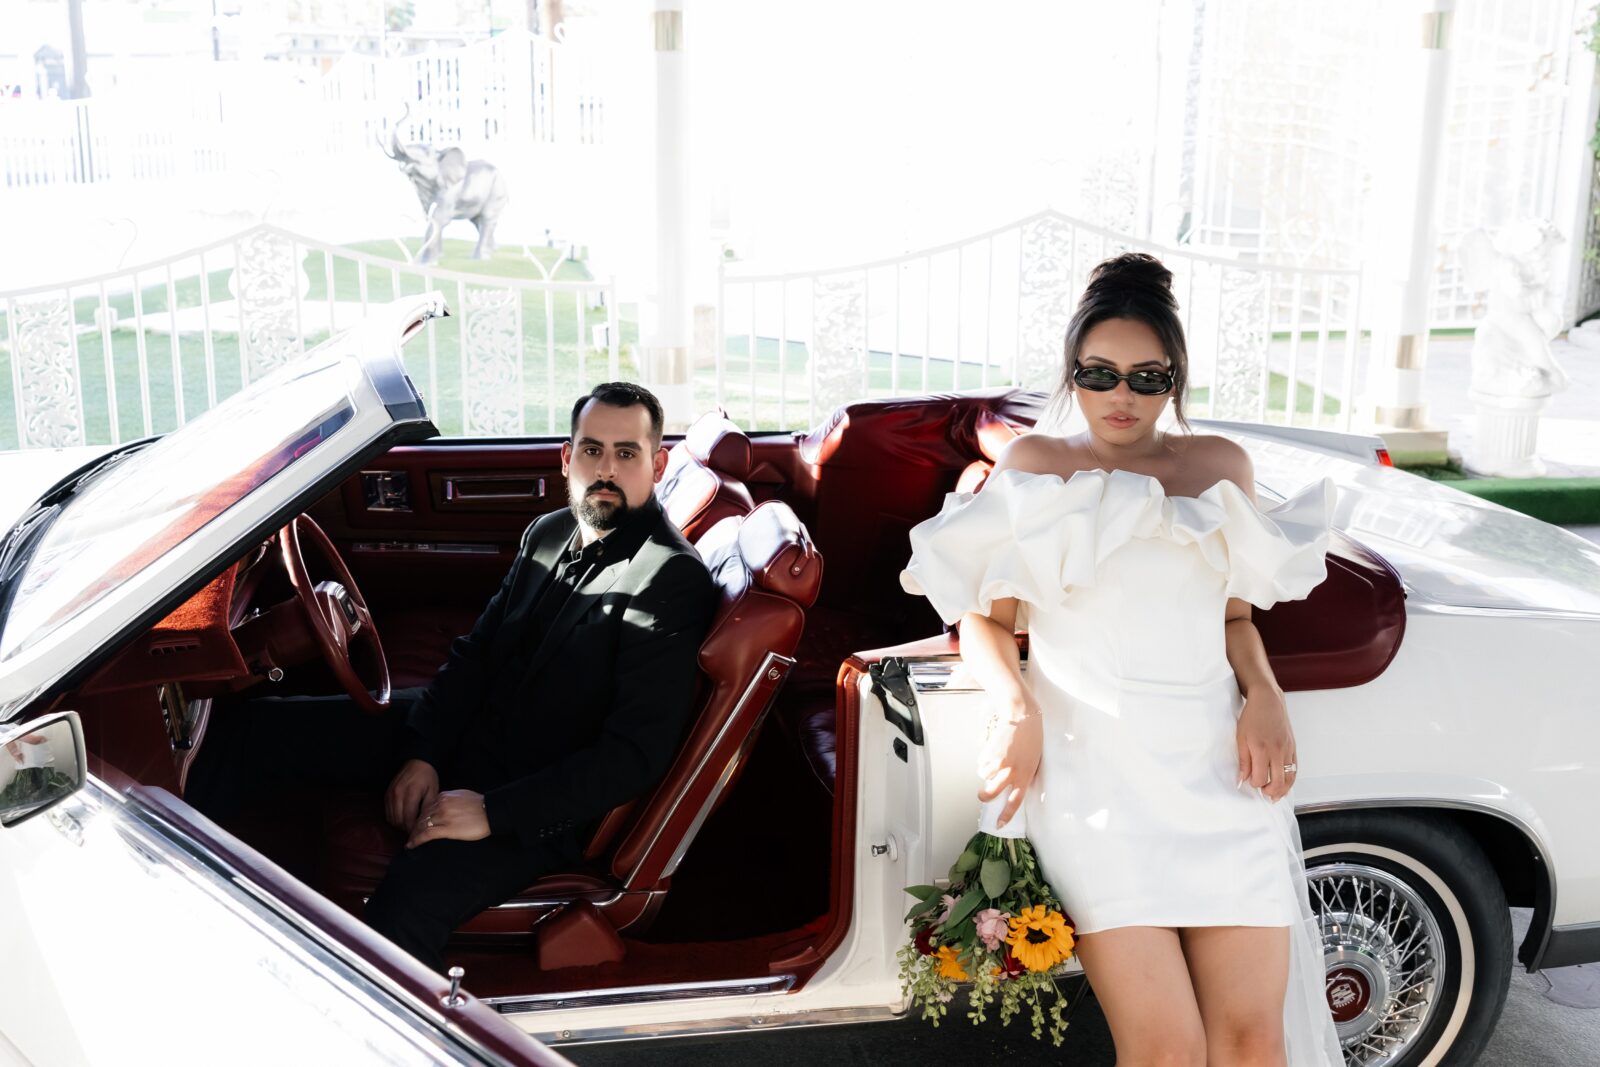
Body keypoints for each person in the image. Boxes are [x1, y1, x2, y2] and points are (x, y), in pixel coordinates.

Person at [901, 253, 1342, 1065]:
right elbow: (984, 619)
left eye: (1148, 376)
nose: (1122, 396)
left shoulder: (1218, 469)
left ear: (1175, 378)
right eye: (1099, 373)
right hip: (1094, 785)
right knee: (1166, 1049)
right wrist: (1016, 708)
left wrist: (1266, 694)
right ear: (1073, 370)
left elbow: (1236, 616)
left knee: (1252, 1042)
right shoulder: (1037, 469)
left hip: (1217, 777)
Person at [188, 382, 717, 971]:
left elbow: (632, 756)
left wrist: (491, 812)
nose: (606, 469)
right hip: (468, 736)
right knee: (256, 730)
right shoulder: (547, 533)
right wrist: (424, 754)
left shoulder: (669, 580)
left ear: (657, 463)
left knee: (405, 907)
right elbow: (476, 656)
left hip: (537, 800)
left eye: (627, 454)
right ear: (566, 459)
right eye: (592, 450)